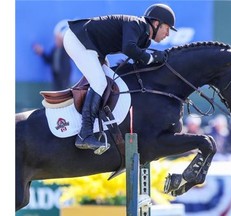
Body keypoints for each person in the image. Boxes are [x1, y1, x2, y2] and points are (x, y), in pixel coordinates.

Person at [63, 3, 177, 153]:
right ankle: (84, 134)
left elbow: (139, 63)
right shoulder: (136, 24)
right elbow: (129, 48)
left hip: (92, 48)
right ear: (156, 23)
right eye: (167, 28)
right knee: (99, 82)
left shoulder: (145, 39)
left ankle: (96, 127)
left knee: (108, 82)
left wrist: (155, 60)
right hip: (78, 40)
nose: (168, 34)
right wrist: (151, 58)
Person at [33, 20, 72, 90]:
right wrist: (42, 52)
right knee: (55, 94)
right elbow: (49, 60)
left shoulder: (67, 49)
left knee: (64, 95)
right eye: (55, 38)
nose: (56, 40)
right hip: (55, 77)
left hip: (64, 78)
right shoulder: (54, 49)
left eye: (58, 38)